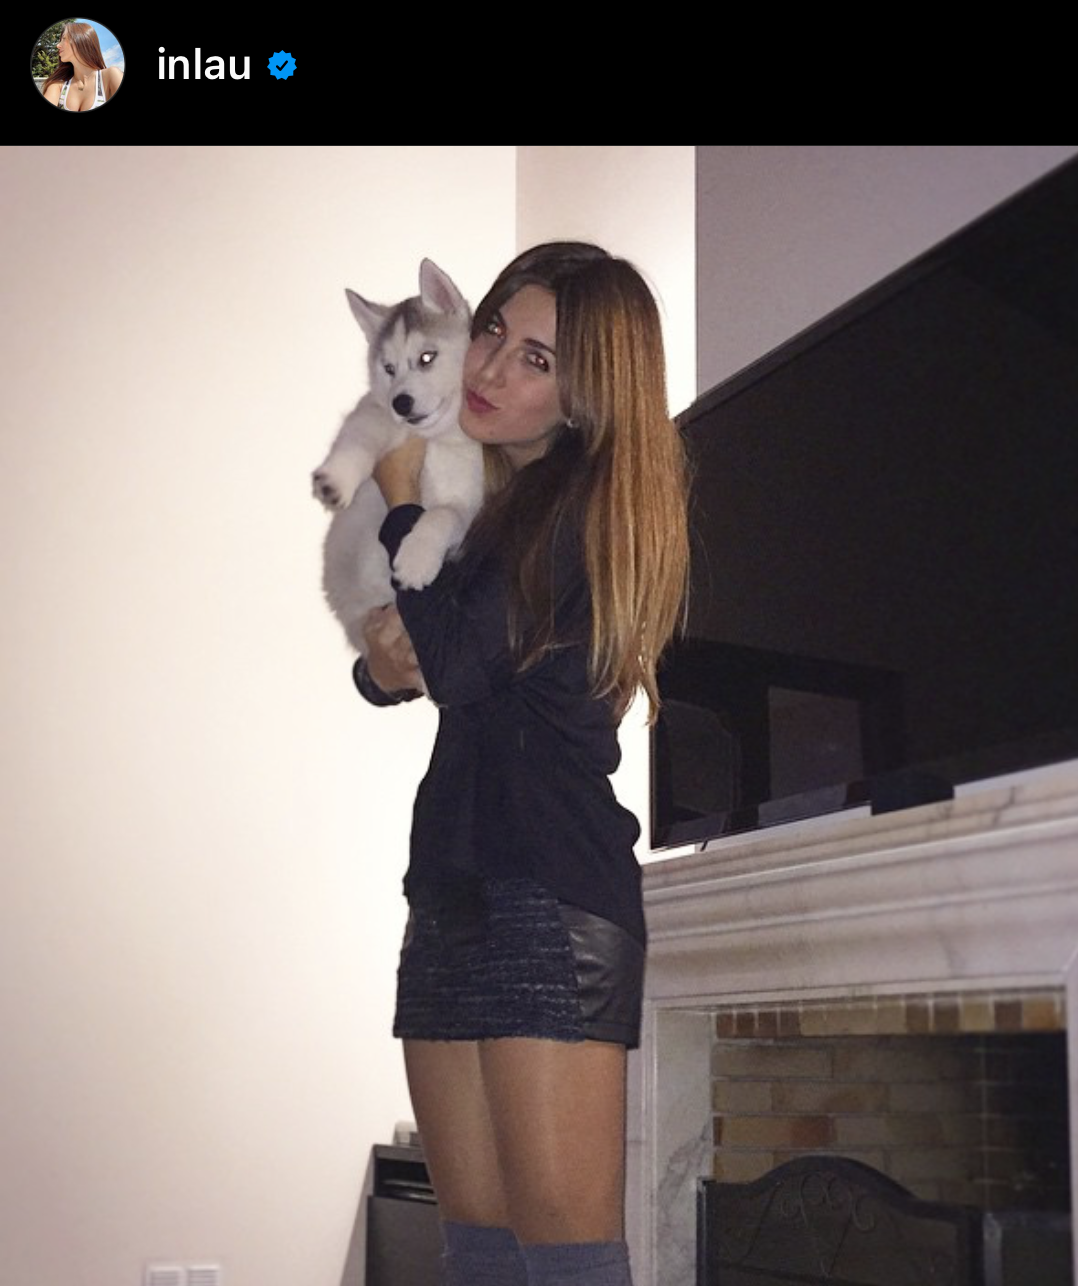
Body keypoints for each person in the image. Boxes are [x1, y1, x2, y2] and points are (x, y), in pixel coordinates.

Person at [353, 241, 690, 1285]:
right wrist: (378, 665)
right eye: (493, 330)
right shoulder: (493, 500)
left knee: (568, 1268)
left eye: (536, 358)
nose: (491, 367)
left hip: (548, 896)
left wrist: (399, 496)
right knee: (483, 1263)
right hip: (452, 886)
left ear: (586, 393)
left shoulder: (581, 500)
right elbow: (432, 661)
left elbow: (457, 664)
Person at [41, 23, 122, 111]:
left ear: (81, 39)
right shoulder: (58, 86)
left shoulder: (111, 76)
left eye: (63, 39)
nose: (58, 45)